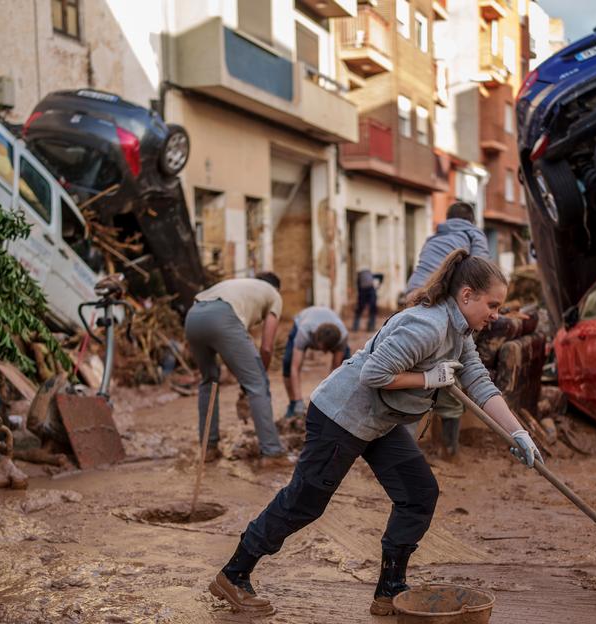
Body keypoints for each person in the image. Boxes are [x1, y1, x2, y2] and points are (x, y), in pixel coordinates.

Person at [208, 250, 541, 616]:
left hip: (381, 421)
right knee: (305, 502)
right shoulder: (428, 325)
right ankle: (234, 574)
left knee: (418, 492)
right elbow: (374, 374)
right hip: (341, 415)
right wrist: (428, 379)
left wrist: (517, 432)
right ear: (466, 295)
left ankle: (390, 588)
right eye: (492, 305)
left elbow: (478, 382)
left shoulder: (459, 332)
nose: (496, 315)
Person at [403, 200, 490, 457]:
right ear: (472, 220)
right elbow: (483, 276)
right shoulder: (474, 235)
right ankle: (450, 450)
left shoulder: (433, 238)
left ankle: (402, 450)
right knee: (452, 372)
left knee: (413, 374)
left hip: (412, 301)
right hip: (442, 307)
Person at [184, 273, 291, 468]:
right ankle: (272, 452)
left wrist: (245, 380)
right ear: (276, 288)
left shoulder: (239, 286)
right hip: (224, 316)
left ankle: (208, 449)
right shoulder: (274, 295)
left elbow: (234, 353)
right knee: (258, 384)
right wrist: (259, 377)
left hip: (193, 316)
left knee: (209, 381)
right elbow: (266, 347)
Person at [282, 306, 351, 419]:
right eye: (322, 349)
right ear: (315, 340)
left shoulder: (342, 337)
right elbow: (295, 368)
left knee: (346, 370)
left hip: (335, 332)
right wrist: (299, 400)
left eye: (326, 350)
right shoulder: (304, 332)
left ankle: (341, 407)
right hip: (304, 319)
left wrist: (328, 403)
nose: (323, 353)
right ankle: (293, 404)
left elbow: (335, 371)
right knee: (288, 363)